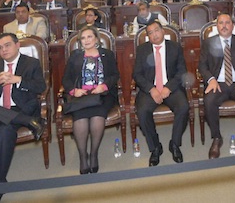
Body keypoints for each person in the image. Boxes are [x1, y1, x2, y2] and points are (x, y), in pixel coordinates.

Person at [0, 33, 45, 203]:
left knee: (5, 132)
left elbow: (41, 87)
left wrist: (18, 80)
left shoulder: (31, 63)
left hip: (19, 108)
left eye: (7, 45)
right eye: (0, 47)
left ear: (17, 45)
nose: (3, 50)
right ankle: (29, 122)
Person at [199, 14, 235, 159]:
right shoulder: (208, 43)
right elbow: (202, 65)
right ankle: (216, 138)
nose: (224, 26)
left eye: (227, 23)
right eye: (221, 23)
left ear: (232, 26)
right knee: (209, 101)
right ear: (216, 26)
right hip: (217, 83)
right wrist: (211, 79)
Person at [62, 26, 119, 174]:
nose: (86, 40)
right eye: (83, 38)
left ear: (96, 39)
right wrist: (75, 90)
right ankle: (83, 156)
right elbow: (66, 79)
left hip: (102, 95)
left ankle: (93, 154)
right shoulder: (75, 56)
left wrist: (104, 86)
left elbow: (114, 75)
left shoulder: (107, 54)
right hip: (81, 95)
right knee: (80, 119)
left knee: (97, 117)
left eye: (89, 37)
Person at [132, 21, 189, 166]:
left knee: (183, 107)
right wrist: (151, 89)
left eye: (156, 30)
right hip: (150, 89)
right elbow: (137, 75)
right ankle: (155, 147)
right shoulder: (142, 50)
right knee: (142, 111)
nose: (154, 35)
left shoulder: (175, 47)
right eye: (150, 33)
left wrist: (168, 88)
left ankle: (175, 144)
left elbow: (181, 71)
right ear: (148, 36)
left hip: (171, 88)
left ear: (163, 31)